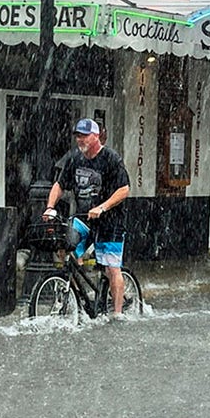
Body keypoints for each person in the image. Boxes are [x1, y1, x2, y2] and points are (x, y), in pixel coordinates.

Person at [43, 118, 131, 317]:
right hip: (84, 218)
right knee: (65, 248)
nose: (80, 140)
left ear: (96, 136)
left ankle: (117, 314)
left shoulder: (110, 158)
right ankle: (76, 296)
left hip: (111, 221)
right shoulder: (75, 159)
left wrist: (103, 207)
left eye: (84, 135)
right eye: (78, 136)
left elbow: (124, 189)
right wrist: (50, 207)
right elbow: (59, 185)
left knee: (111, 267)